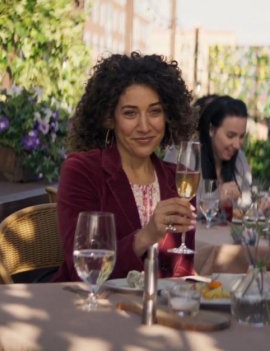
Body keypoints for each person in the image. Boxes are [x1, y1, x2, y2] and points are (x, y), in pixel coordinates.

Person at [52, 52, 197, 282]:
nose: (144, 126)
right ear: (109, 118)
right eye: (130, 113)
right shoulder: (83, 170)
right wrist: (146, 235)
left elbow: (180, 268)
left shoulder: (178, 178)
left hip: (156, 311)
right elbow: (82, 271)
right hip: (91, 308)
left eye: (155, 111)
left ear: (168, 116)